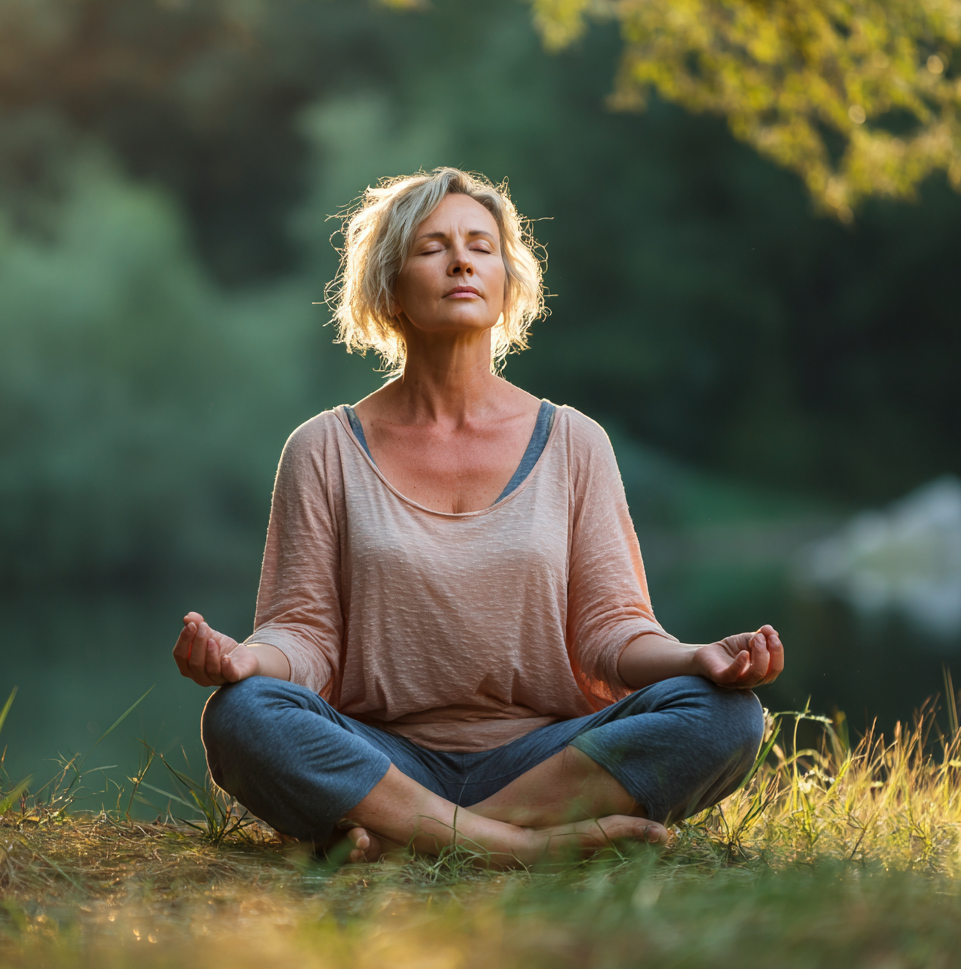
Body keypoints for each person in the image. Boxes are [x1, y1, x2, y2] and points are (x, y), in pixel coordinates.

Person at [172, 167, 782, 868]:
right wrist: (247, 660)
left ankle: (412, 841)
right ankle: (516, 849)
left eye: (480, 245)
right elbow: (305, 636)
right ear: (388, 285)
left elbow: (611, 631)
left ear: (504, 280)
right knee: (243, 714)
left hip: (547, 758)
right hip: (383, 757)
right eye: (432, 247)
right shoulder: (322, 449)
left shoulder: (575, 442)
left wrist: (697, 658)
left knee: (727, 714)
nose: (461, 259)